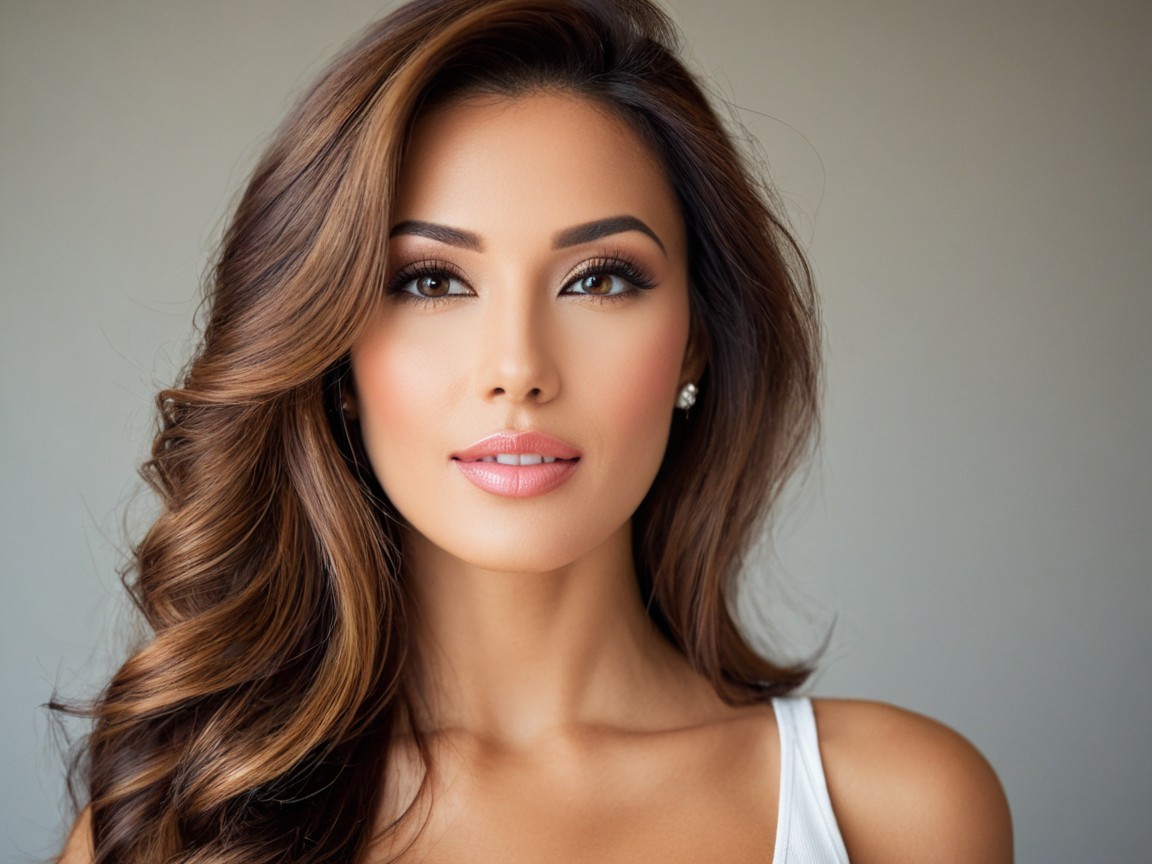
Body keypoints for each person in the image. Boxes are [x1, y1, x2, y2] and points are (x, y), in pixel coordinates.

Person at [57, 0, 1012, 861]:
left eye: (600, 278)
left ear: (696, 340)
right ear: (334, 352)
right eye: (431, 281)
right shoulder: (185, 821)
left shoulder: (895, 811)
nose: (517, 367)